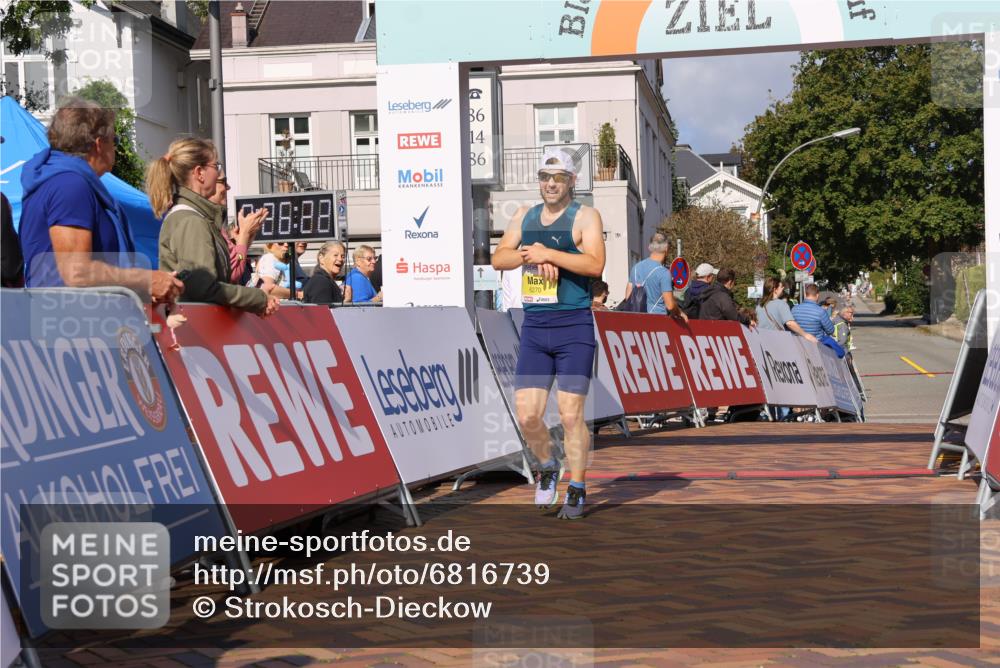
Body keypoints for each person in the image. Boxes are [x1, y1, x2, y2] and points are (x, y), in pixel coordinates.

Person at [492, 146, 606, 520]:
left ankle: (577, 487)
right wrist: (531, 254)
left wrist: (551, 255)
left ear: (572, 181)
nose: (551, 184)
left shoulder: (585, 216)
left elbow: (595, 264)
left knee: (571, 415)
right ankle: (547, 465)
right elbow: (499, 258)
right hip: (536, 327)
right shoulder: (524, 215)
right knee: (527, 416)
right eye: (545, 177)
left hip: (573, 327)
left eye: (558, 178)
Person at [19, 97, 183, 303]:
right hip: (71, 317)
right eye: (115, 141)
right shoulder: (69, 185)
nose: (115, 148)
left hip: (74, 314)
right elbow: (76, 272)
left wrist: (139, 291)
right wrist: (146, 280)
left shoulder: (60, 180)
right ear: (99, 144)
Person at [150, 137, 277, 316]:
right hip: (194, 326)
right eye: (216, 166)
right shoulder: (191, 221)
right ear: (199, 173)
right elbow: (203, 288)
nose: (218, 174)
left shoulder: (194, 217)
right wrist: (258, 298)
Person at [208, 169, 266, 285]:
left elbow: (237, 259)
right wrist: (244, 234)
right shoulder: (205, 224)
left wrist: (245, 240)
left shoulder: (217, 225)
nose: (228, 187)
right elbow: (233, 273)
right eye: (223, 181)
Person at [623, 232, 685, 317]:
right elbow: (670, 305)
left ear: (649, 247)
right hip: (657, 319)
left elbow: (628, 297)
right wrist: (679, 312)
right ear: (666, 249)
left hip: (637, 319)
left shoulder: (636, 268)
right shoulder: (664, 273)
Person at [755, 276, 818, 342]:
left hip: (763, 340)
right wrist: (805, 334)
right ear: (775, 290)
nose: (783, 288)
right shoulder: (781, 304)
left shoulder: (759, 306)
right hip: (777, 341)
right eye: (781, 287)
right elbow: (790, 323)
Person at [303, 240, 350, 304]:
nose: (340, 259)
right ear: (321, 258)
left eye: (343, 256)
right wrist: (346, 301)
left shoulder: (324, 280)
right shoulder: (321, 281)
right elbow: (323, 309)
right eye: (335, 255)